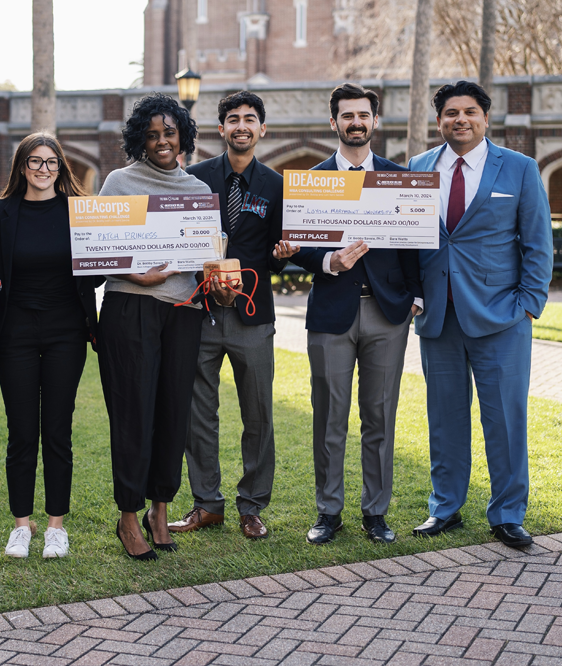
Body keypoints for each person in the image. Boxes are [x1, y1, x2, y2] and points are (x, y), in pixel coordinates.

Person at [409, 81, 552, 547]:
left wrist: (528, 304)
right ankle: (445, 507)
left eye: (470, 111)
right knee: (444, 418)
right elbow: (408, 244)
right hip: (438, 318)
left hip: (502, 318)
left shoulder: (520, 169)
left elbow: (537, 244)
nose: (460, 120)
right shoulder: (417, 169)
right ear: (439, 121)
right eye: (451, 113)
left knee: (506, 421)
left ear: (485, 118)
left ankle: (508, 513)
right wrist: (412, 294)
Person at [290, 83, 423, 545]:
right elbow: (300, 250)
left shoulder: (399, 178)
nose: (356, 122)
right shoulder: (311, 180)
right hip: (331, 312)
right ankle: (328, 512)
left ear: (375, 121)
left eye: (363, 115)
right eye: (347, 116)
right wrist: (330, 260)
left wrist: (415, 299)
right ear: (334, 123)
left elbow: (417, 245)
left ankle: (376, 514)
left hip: (388, 315)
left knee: (380, 417)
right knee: (328, 417)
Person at [168, 91, 298, 540]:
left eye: (250, 119)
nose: (241, 126)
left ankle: (252, 505)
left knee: (258, 413)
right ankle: (207, 504)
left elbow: (280, 255)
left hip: (252, 315)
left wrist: (283, 255)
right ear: (220, 129)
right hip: (200, 311)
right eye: (232, 119)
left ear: (262, 129)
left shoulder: (278, 186)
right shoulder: (195, 180)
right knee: (197, 413)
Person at [97, 92, 211, 560]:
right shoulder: (119, 183)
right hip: (131, 309)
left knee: (172, 413)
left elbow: (206, 260)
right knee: (132, 413)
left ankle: (159, 509)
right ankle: (128, 516)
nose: (162, 141)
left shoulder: (200, 192)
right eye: (152, 134)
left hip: (183, 311)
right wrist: (132, 272)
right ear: (139, 139)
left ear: (182, 134)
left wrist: (218, 280)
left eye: (169, 132)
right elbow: (96, 254)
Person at [0, 132, 101, 559]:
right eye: (35, 162)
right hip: (14, 332)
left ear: (61, 168)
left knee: (57, 430)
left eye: (51, 163)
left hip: (65, 332)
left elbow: (98, 267)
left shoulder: (80, 212)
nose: (43, 170)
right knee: (21, 432)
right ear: (21, 166)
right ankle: (21, 526)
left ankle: (55, 526)